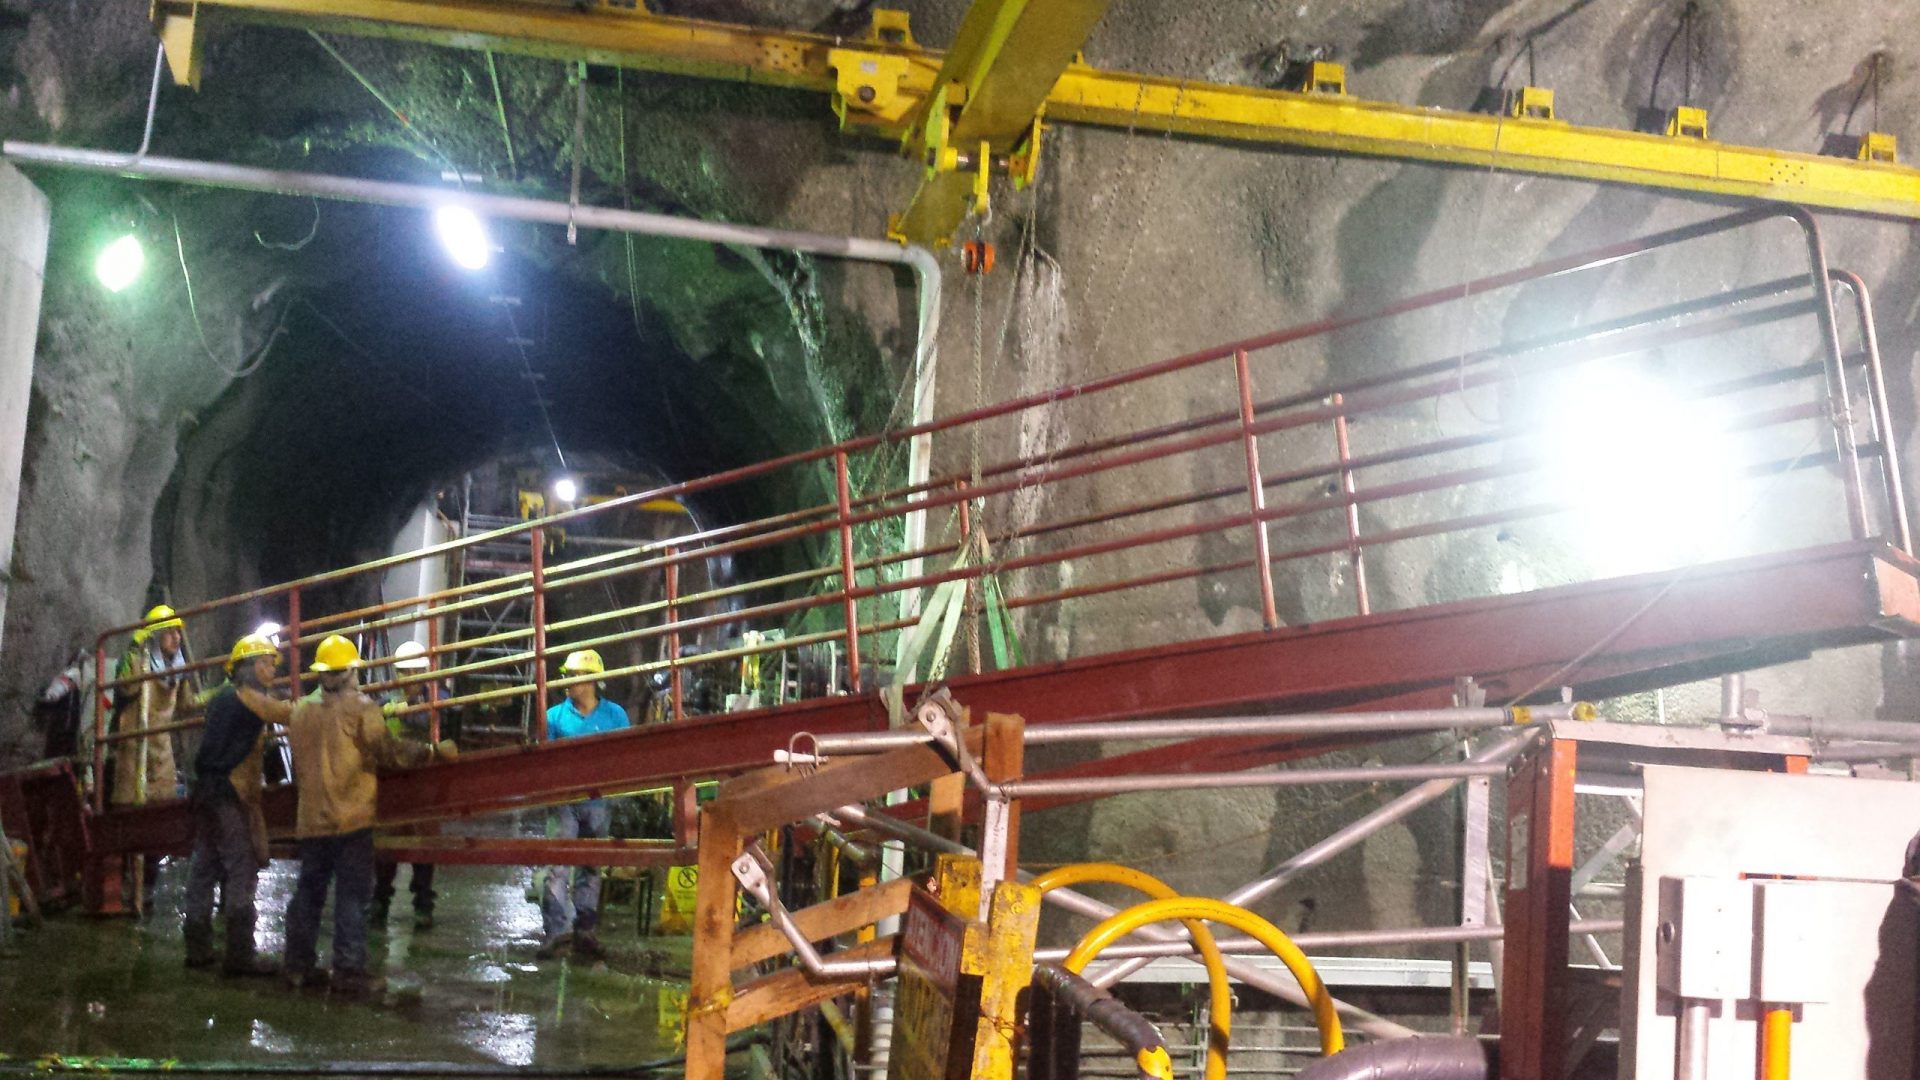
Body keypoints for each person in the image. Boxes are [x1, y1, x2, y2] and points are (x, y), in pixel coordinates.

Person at [282, 635, 453, 996]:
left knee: (309, 894)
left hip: (311, 818)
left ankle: (297, 965)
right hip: (350, 818)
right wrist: (431, 752)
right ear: (350, 673)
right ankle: (347, 969)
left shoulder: (300, 710)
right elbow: (389, 751)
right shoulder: (361, 708)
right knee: (351, 897)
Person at [182, 633, 289, 976]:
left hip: (205, 790)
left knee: (205, 865)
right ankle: (240, 956)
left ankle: (197, 949)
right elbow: (286, 714)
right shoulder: (248, 696)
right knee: (241, 866)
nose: (272, 670)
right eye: (268, 664)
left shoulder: (222, 696)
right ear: (252, 667)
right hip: (227, 790)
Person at [535, 649, 630, 961]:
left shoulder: (616, 716)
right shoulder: (553, 717)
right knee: (558, 866)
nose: (567, 682)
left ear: (590, 680)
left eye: (573, 676)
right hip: (564, 800)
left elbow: (627, 755)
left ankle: (584, 930)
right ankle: (557, 932)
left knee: (590, 864)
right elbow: (543, 761)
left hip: (599, 800)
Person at [111, 604, 194, 911]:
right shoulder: (137, 660)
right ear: (155, 636)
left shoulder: (179, 667)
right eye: (169, 632)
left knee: (156, 832)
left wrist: (221, 693)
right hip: (136, 753)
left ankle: (146, 892)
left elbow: (187, 704)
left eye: (178, 632)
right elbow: (125, 686)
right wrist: (135, 648)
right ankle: (125, 890)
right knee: (131, 829)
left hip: (162, 755)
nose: (175, 637)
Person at [372, 641, 438, 932]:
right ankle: (380, 900)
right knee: (386, 846)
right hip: (394, 781)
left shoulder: (438, 697)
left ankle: (424, 903)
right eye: (403, 671)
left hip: (425, 782)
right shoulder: (387, 699)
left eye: (413, 670)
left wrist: (405, 711)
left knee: (424, 847)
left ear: (423, 672)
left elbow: (436, 717)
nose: (407, 677)